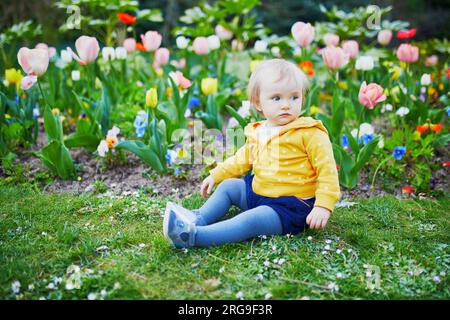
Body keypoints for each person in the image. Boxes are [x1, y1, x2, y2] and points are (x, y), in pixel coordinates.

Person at [163, 58, 341, 248]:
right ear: (258, 103)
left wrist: (323, 205)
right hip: (259, 193)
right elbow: (241, 159)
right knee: (230, 187)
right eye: (277, 98)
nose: (286, 105)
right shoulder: (259, 131)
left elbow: (327, 170)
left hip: (290, 207)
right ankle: (197, 218)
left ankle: (195, 237)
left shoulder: (310, 132)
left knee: (249, 221)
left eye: (294, 97)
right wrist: (216, 175)